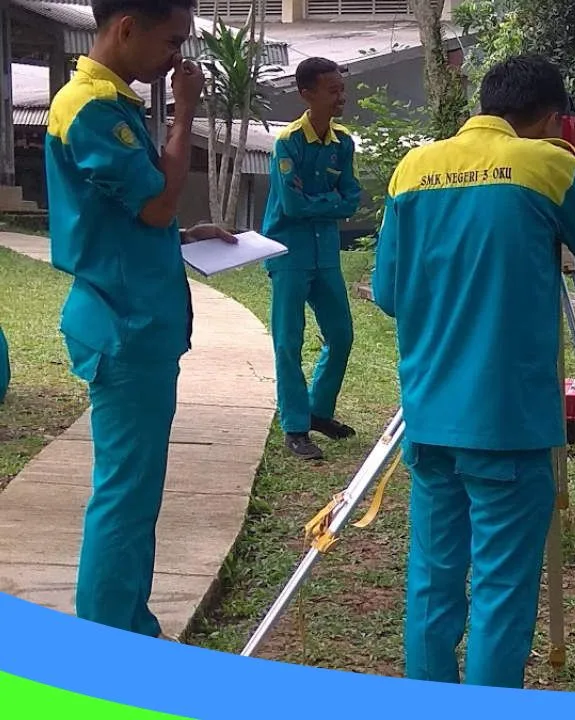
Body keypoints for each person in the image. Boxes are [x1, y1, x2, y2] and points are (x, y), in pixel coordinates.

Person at [371, 54, 575, 688]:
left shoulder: (412, 170)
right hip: (508, 424)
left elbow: (386, 290)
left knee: (434, 585)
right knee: (500, 593)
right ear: (550, 117)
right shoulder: (549, 166)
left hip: (429, 417)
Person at [45, 0, 237, 638]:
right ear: (126, 28)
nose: (176, 58)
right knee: (125, 498)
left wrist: (182, 238)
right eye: (170, 41)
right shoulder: (92, 108)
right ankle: (106, 642)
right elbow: (155, 200)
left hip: (134, 317)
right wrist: (185, 113)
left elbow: (124, 217)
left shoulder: (111, 102)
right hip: (122, 326)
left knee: (135, 494)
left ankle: (132, 626)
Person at [261, 56, 362, 460]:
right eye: (333, 90)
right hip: (289, 252)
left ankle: (319, 412)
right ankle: (295, 428)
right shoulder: (288, 142)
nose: (341, 97)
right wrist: (331, 202)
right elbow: (291, 204)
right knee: (289, 341)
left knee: (341, 336)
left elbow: (352, 198)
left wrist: (321, 201)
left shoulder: (343, 143)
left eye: (342, 89)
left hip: (325, 254)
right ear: (307, 94)